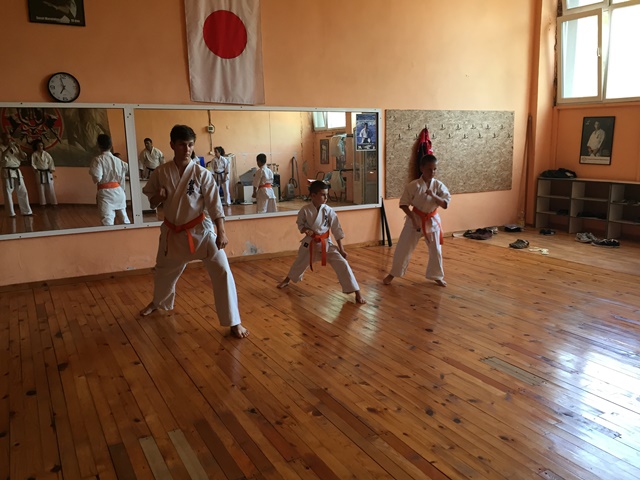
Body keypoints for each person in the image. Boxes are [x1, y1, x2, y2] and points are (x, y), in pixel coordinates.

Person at [140, 125, 249, 339]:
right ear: (172, 145)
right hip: (173, 233)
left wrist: (221, 232)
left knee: (222, 270)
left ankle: (234, 321)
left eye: (190, 145)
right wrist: (159, 197)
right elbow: (152, 202)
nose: (187, 149)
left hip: (201, 231)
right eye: (182, 145)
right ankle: (158, 302)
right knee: (163, 271)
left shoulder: (202, 173)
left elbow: (215, 205)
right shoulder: (161, 172)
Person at [277, 180, 366, 304]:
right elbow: (300, 225)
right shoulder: (305, 210)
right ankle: (287, 280)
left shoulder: (329, 210)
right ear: (313, 195)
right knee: (299, 263)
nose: (326, 197)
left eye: (327, 194)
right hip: (310, 243)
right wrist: (306, 230)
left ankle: (357, 292)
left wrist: (341, 249)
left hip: (326, 243)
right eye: (323, 194)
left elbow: (336, 229)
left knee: (343, 264)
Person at [383, 154, 451, 287]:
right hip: (415, 219)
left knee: (436, 250)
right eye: (429, 169)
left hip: (432, 220)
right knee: (403, 248)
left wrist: (433, 195)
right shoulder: (413, 185)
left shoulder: (438, 185)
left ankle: (436, 276)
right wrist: (413, 217)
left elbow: (445, 204)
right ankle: (393, 273)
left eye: (435, 169)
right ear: (422, 168)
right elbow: (403, 204)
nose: (432, 172)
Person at [89, 134, 130, 226]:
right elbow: (126, 169)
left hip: (106, 193)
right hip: (119, 192)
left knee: (107, 221)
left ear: (98, 145)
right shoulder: (118, 160)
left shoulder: (98, 160)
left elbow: (97, 177)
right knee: (124, 219)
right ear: (111, 146)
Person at [1, 132, 33, 217]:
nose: (9, 140)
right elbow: (1, 158)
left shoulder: (15, 148)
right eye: (6, 138)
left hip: (17, 171)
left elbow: (23, 157)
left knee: (23, 191)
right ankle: (10, 213)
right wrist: (8, 148)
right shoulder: (1, 147)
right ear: (2, 139)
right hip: (7, 171)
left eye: (9, 138)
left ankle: (27, 211)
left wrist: (19, 148)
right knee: (8, 192)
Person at [31, 139, 58, 206]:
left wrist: (51, 169)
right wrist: (35, 169)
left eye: (41, 145)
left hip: (47, 172)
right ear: (36, 146)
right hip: (39, 172)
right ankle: (43, 203)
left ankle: (54, 203)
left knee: (50, 187)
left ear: (43, 146)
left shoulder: (46, 154)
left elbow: (51, 162)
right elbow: (33, 163)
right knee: (41, 188)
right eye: (38, 146)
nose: (40, 147)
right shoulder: (34, 154)